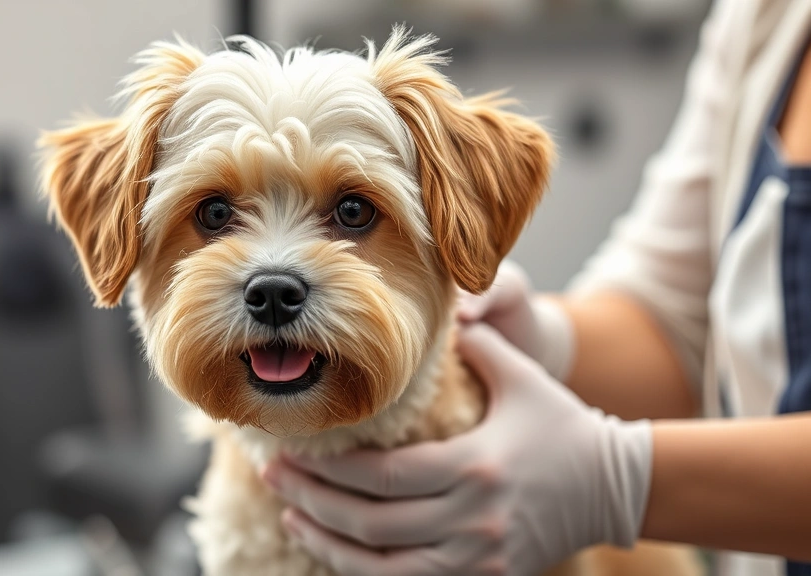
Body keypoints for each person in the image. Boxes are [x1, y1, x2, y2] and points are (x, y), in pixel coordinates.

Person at [259, 1, 811, 575]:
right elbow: (675, 316)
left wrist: (616, 484)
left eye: (351, 211)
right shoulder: (767, 15)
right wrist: (549, 339)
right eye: (218, 215)